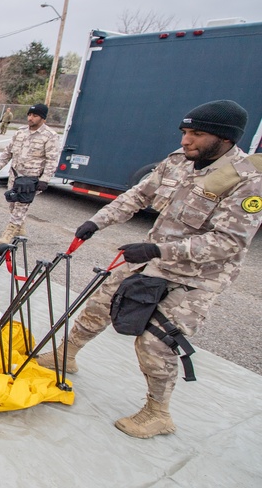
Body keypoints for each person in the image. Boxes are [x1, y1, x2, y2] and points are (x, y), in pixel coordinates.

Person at [35, 100, 262, 438]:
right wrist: (95, 222)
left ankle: (158, 413)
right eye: (185, 132)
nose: (186, 140)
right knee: (101, 303)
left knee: (156, 342)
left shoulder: (247, 181)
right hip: (152, 259)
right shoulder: (177, 161)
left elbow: (228, 243)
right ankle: (66, 355)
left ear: (225, 139)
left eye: (197, 134)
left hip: (197, 277)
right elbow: (137, 196)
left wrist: (158, 248)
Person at [0, 102, 59, 243]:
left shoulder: (50, 136)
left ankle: (9, 233)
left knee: (21, 204)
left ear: (43, 118)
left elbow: (52, 159)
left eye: (35, 116)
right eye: (29, 115)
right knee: (12, 202)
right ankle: (19, 225)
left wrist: (45, 179)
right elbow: (8, 151)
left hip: (31, 179)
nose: (30, 118)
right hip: (15, 176)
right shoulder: (20, 132)